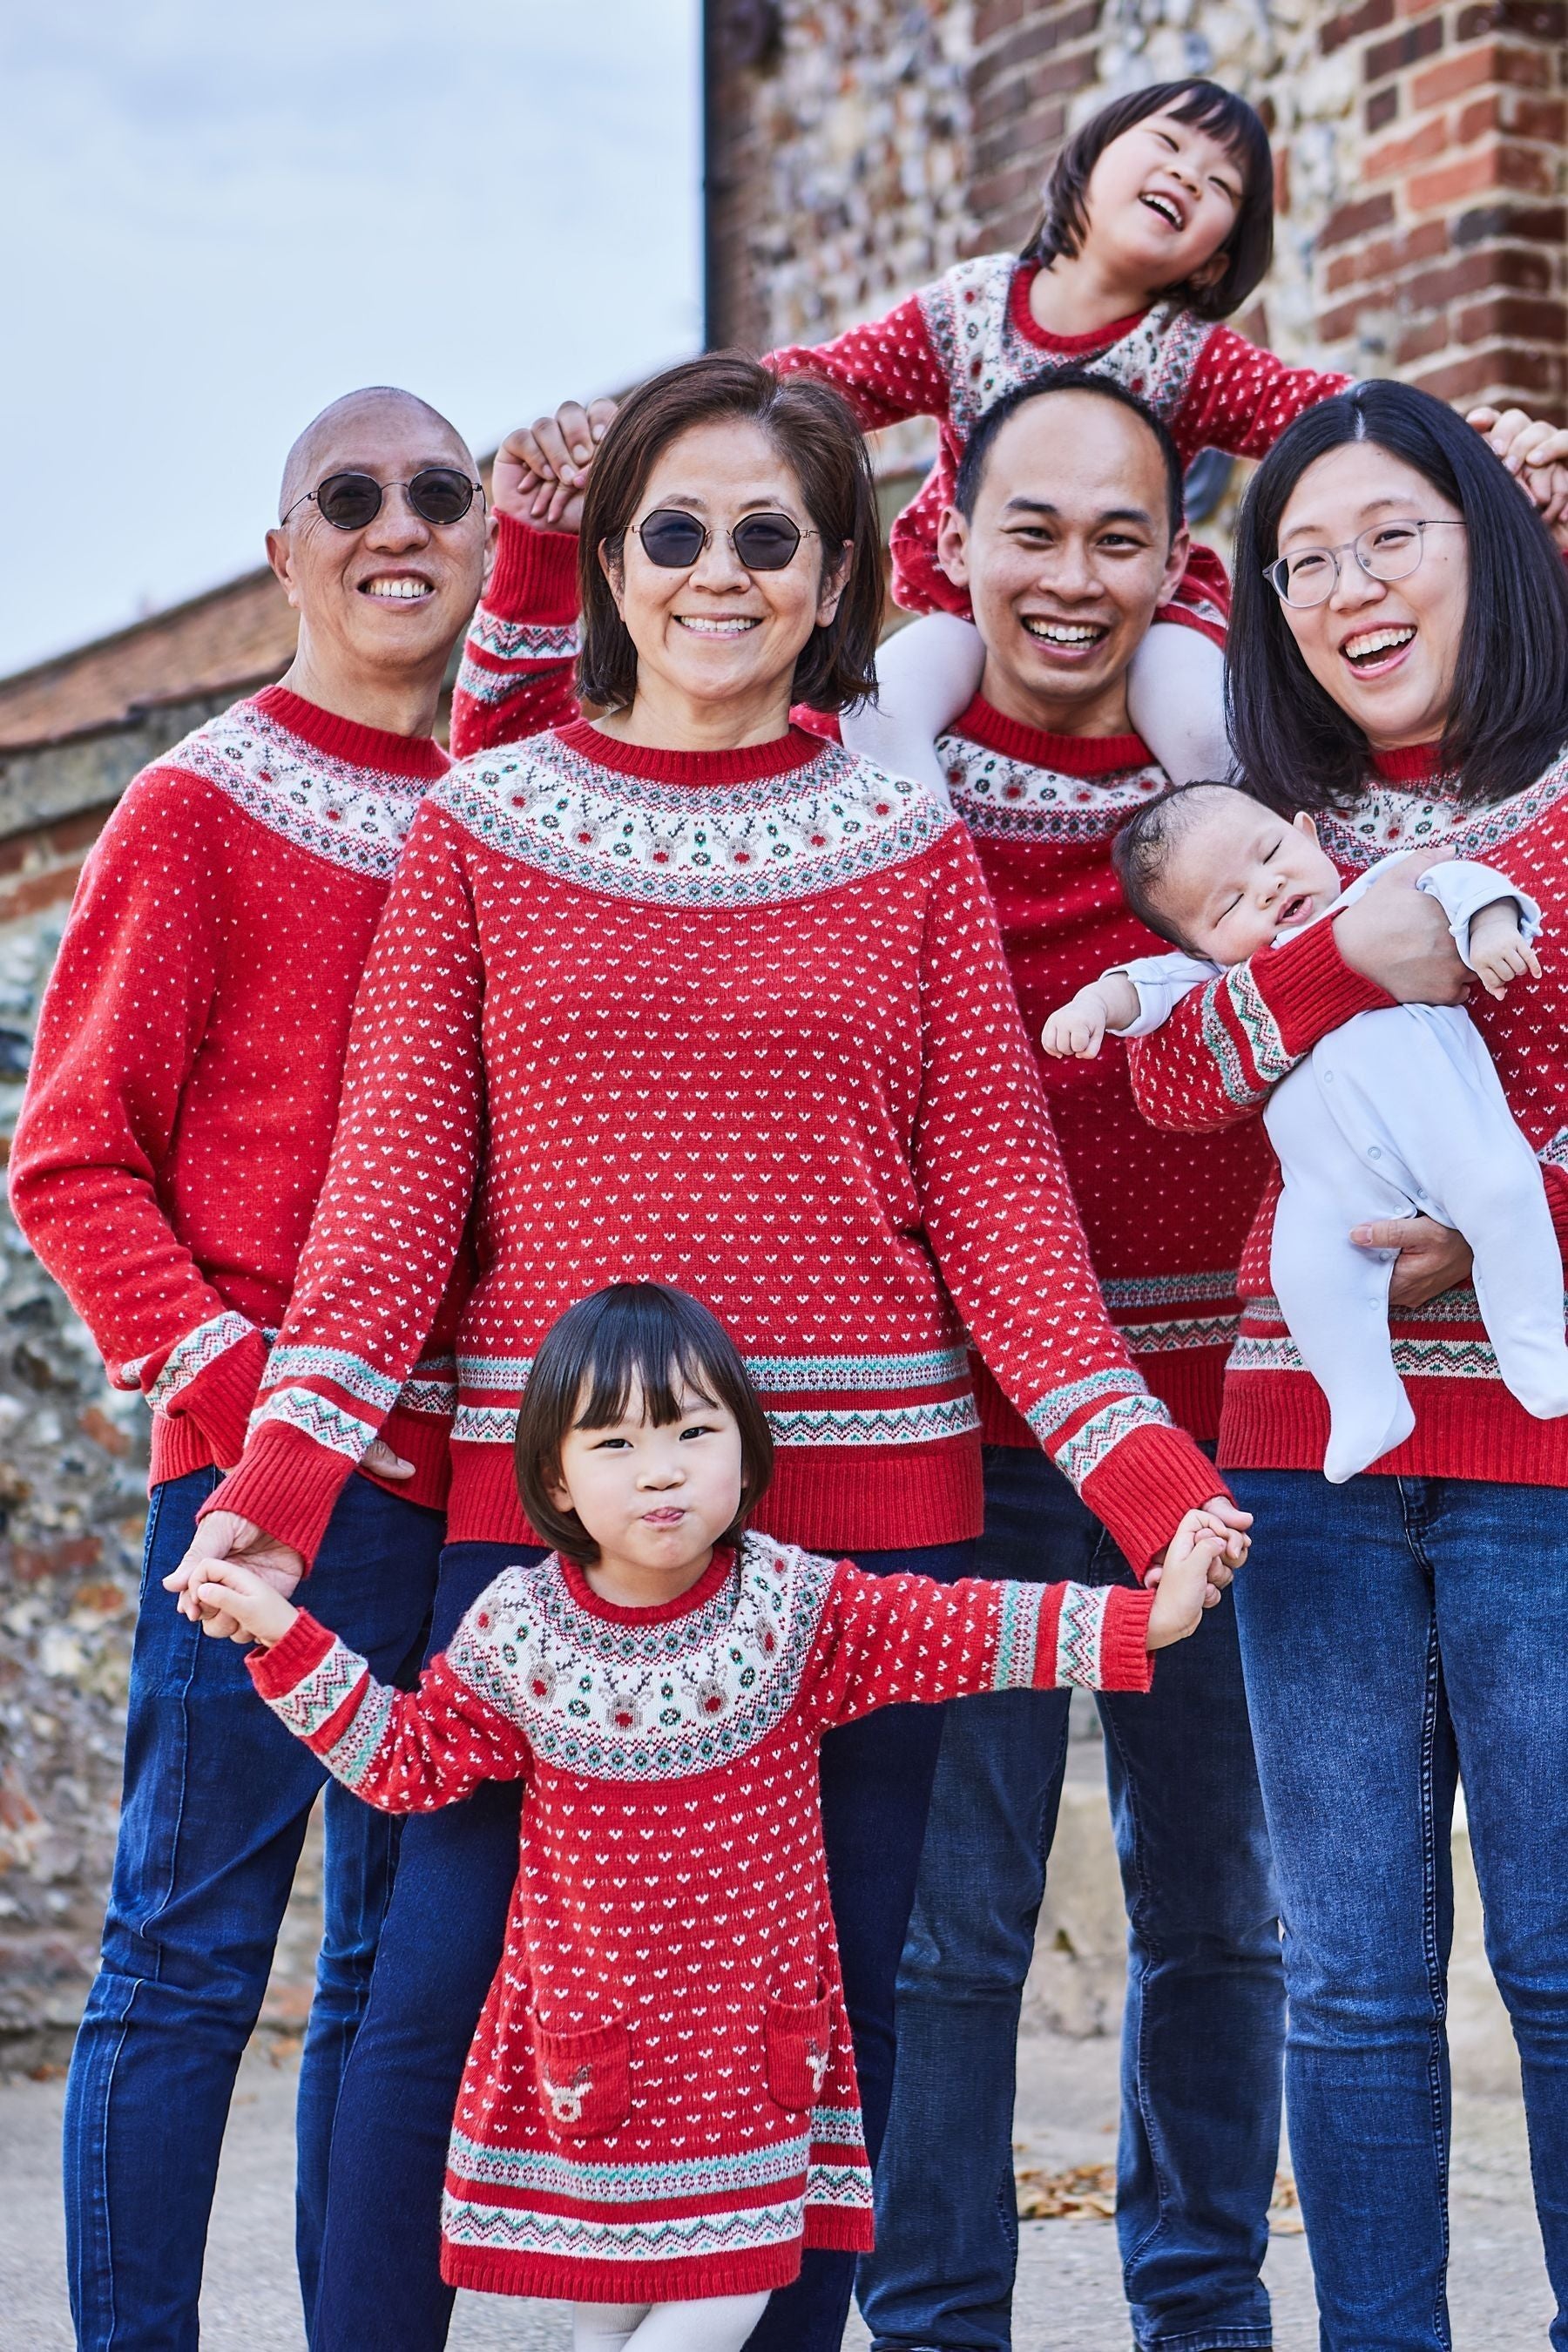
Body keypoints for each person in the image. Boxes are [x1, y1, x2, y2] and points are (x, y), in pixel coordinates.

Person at [169, 351, 1247, 2352]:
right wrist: (271, 1506)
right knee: (432, 1985)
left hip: (863, 1531)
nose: (719, 570)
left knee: (814, 2039)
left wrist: (1159, 1494)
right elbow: (389, 1213)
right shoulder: (482, 826)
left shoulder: (899, 837)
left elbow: (1004, 1214)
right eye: (676, 530)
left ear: (836, 568)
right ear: (611, 559)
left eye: (770, 533)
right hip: (549, 1517)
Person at [186, 1281, 1237, 2351]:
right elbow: (406, 1761)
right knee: (610, 2327)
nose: (661, 1469)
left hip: (748, 2079)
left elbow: (968, 1626)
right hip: (593, 2078)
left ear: (746, 1453)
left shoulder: (791, 1609)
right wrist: (284, 1636)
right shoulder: (518, 1632)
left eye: (696, 1431)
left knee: (725, 2303)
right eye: (614, 1442)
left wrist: (1145, 1618)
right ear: (553, 1474)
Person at [8, 387, 492, 2349]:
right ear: (282, 554)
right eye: (351, 497)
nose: (402, 525)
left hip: (468, 1495)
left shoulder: (495, 805)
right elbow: (68, 1152)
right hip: (258, 1492)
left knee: (395, 1978)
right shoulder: (194, 806)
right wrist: (235, 1386)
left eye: (441, 497)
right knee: (189, 1954)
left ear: (479, 549)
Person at [1120, 379, 1568, 2352]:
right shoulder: (1270, 842)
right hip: (1303, 1462)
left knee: (1559, 1961)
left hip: (1543, 1456)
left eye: (1392, 532)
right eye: (1300, 555)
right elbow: (1169, 1080)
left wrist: (1520, 1205)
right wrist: (1337, 950)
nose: (1345, 582)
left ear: (1488, 539)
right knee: (1354, 1975)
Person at [1051, 780, 1568, 1480]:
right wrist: (1091, 1007)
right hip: (1329, 1189)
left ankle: (1534, 1344)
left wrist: (1493, 929)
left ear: (1308, 832)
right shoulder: (1218, 976)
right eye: (1229, 904)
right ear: (1199, 945)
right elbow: (1140, 992)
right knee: (1304, 1272)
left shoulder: (1383, 888)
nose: (1265, 890)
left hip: (1449, 1136)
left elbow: (1466, 882)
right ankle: (1365, 1401)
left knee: (1502, 1195)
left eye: (1270, 854)